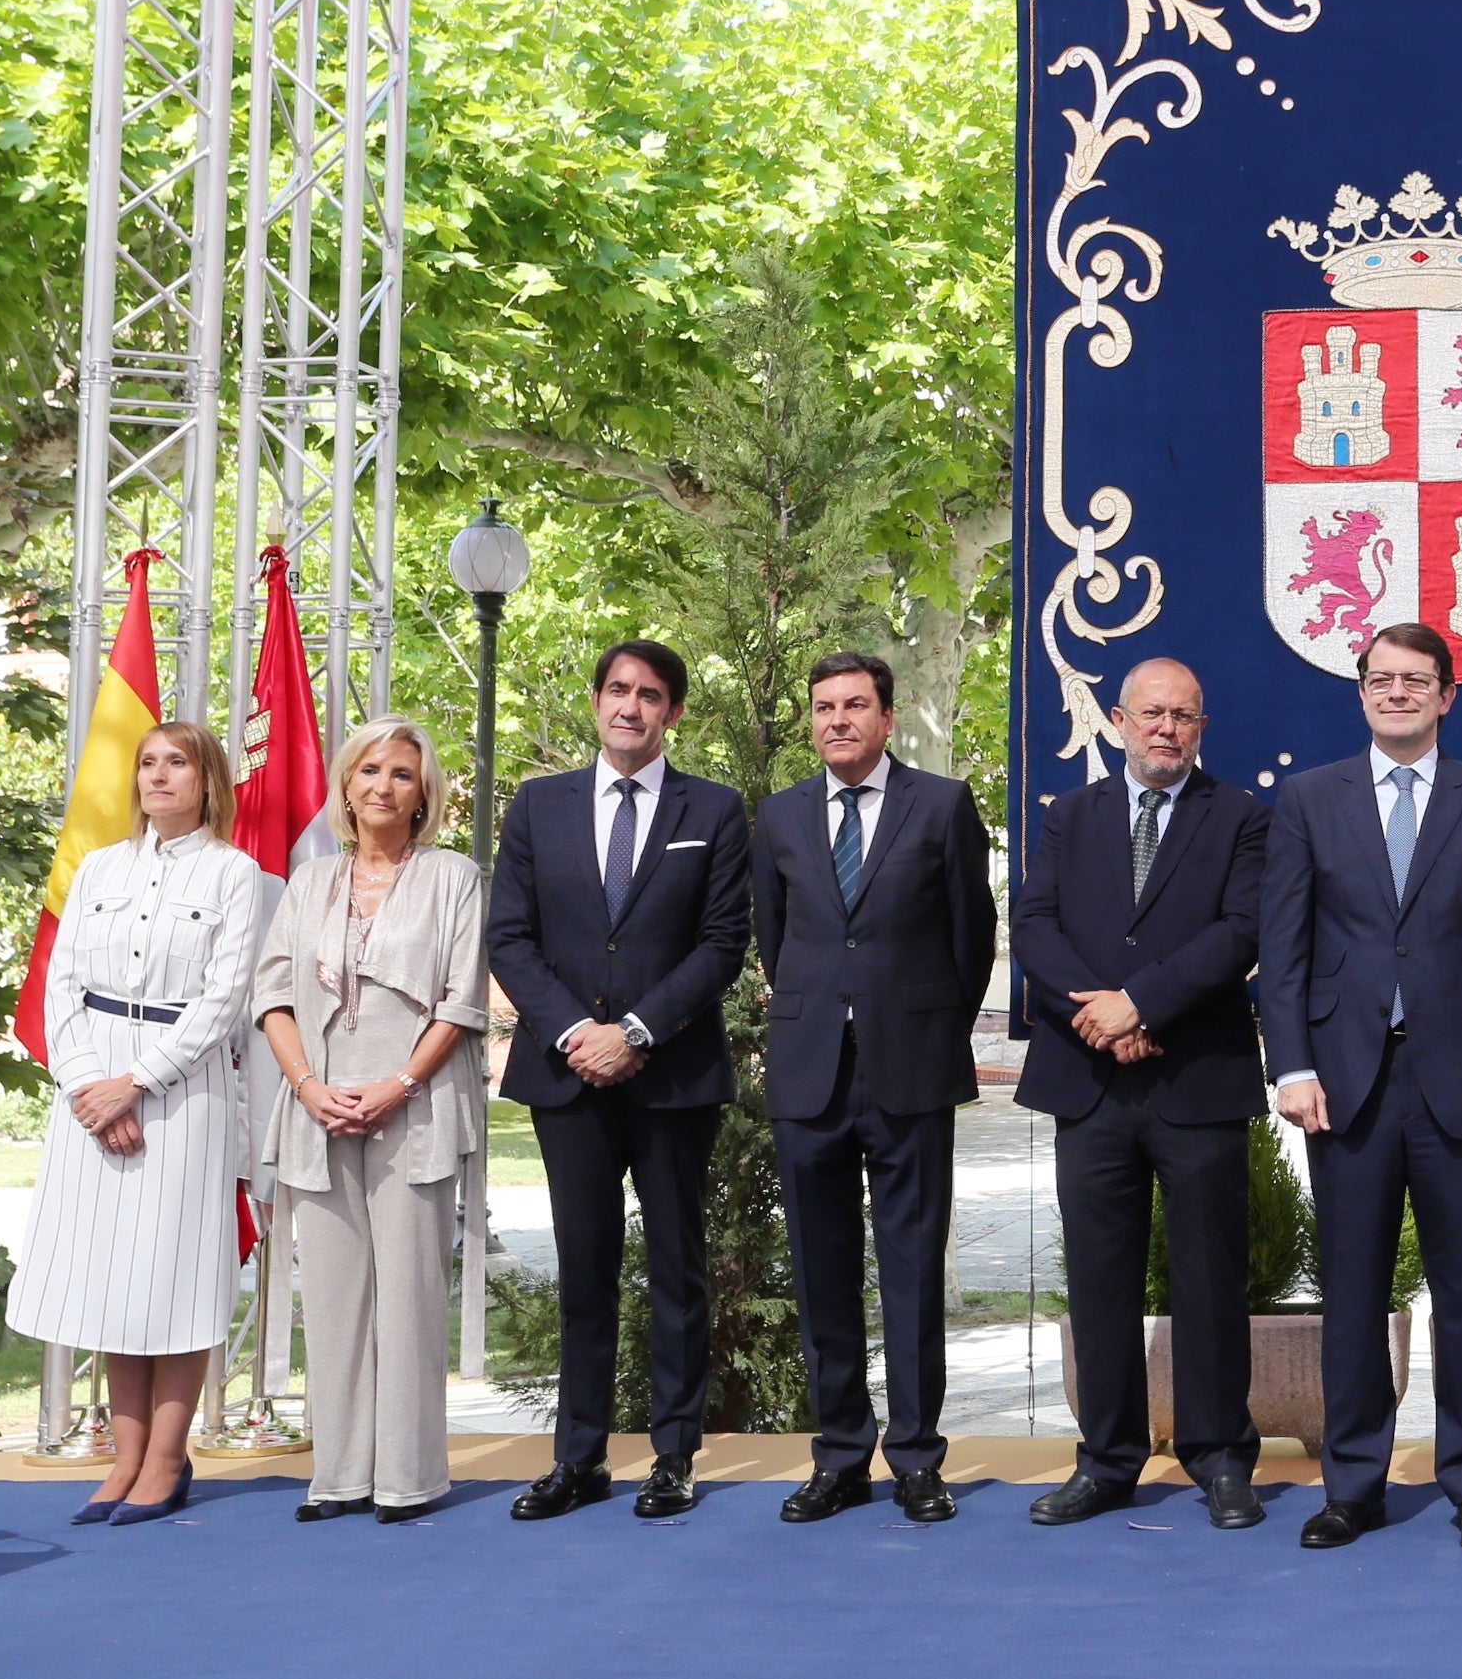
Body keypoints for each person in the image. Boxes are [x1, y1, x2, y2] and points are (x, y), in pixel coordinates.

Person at [1260, 623, 1462, 1553]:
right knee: (1350, 1291)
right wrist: (1291, 1063)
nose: (1396, 693)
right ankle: (1352, 1483)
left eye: (1413, 680)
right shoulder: (1307, 799)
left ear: (1446, 694)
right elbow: (1284, 946)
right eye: (1380, 679)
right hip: (1343, 1086)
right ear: (1360, 693)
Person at [1009, 657, 1273, 1532]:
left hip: (1195, 1080)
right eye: (1152, 713)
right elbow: (1034, 923)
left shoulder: (1239, 817)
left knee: (1208, 1281)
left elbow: (1241, 929)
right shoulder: (1070, 815)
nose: (1167, 728)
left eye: (1184, 716)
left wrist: (1143, 1001)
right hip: (1090, 1085)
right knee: (1099, 1283)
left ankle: (1221, 1459)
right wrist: (1103, 1017)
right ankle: (1108, 1460)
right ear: (1117, 719)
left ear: (1202, 728)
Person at [490, 640, 751, 1521]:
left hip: (671, 1072)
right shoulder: (538, 804)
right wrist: (575, 1033)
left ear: (672, 712)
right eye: (616, 690)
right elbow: (510, 938)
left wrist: (635, 1030)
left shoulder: (712, 809)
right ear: (595, 700)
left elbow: (723, 944)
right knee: (583, 1266)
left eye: (649, 695)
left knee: (677, 1267)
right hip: (567, 1078)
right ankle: (580, 1457)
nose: (629, 706)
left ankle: (673, 1454)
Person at [747, 653, 997, 1525]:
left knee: (911, 1271)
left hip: (912, 1066)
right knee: (822, 1275)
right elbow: (774, 940)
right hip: (810, 1069)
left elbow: (972, 938)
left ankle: (918, 1459)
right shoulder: (778, 817)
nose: (838, 720)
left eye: (856, 705)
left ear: (888, 718)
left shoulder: (942, 805)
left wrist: (921, 1022)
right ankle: (840, 1456)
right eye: (824, 708)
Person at [6, 722, 266, 1526]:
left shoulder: (235, 873)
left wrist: (139, 1083)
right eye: (147, 762)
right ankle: (123, 1457)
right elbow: (63, 983)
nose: (158, 775)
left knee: (173, 1276)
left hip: (182, 1094)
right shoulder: (99, 868)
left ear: (207, 779)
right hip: (92, 1091)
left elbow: (224, 999)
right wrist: (90, 1084)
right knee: (116, 1276)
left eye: (176, 762)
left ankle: (165, 1456)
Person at [252, 717, 491, 1523]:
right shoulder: (307, 882)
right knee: (331, 1297)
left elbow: (462, 999)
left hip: (414, 1108)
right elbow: (272, 995)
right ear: (346, 786)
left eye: (401, 773)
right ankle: (341, 1475)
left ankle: (409, 1478)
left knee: (411, 1296)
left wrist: (398, 1083)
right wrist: (309, 1085)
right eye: (370, 771)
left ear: (423, 791)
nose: (383, 785)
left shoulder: (454, 876)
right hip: (317, 1110)